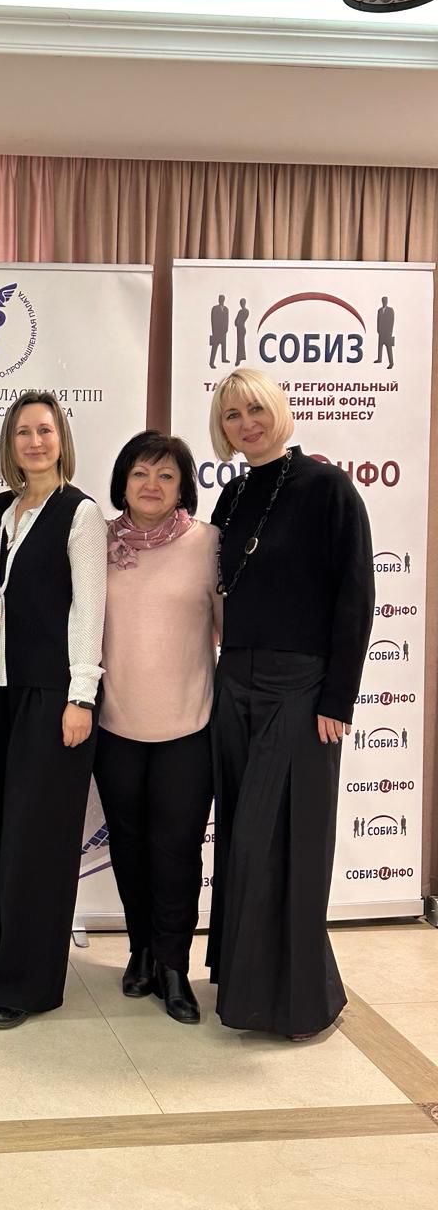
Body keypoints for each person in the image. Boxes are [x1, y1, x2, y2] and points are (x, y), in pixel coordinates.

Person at [207, 369, 374, 1039]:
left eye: (255, 409)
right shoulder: (232, 497)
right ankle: (247, 988)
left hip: (302, 690)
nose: (246, 423)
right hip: (234, 684)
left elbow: (355, 596)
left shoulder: (328, 488)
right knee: (243, 843)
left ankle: (301, 1001)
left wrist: (338, 699)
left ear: (278, 410)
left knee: (287, 842)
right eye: (232, 416)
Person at [0, 391, 107, 1030]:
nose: (34, 441)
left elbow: (88, 609)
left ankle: (26, 984)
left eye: (45, 431)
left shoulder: (80, 513)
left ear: (61, 440)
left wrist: (81, 695)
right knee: (0, 832)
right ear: (10, 442)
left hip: (54, 696)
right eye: (23, 431)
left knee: (39, 843)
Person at [94, 431, 219, 1024]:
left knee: (178, 849)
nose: (152, 485)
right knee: (128, 845)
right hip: (115, 722)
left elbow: (232, 630)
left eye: (166, 475)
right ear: (122, 481)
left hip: (189, 725)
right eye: (141, 473)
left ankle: (173, 966)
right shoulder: (96, 542)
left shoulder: (208, 544)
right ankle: (140, 950)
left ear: (183, 487)